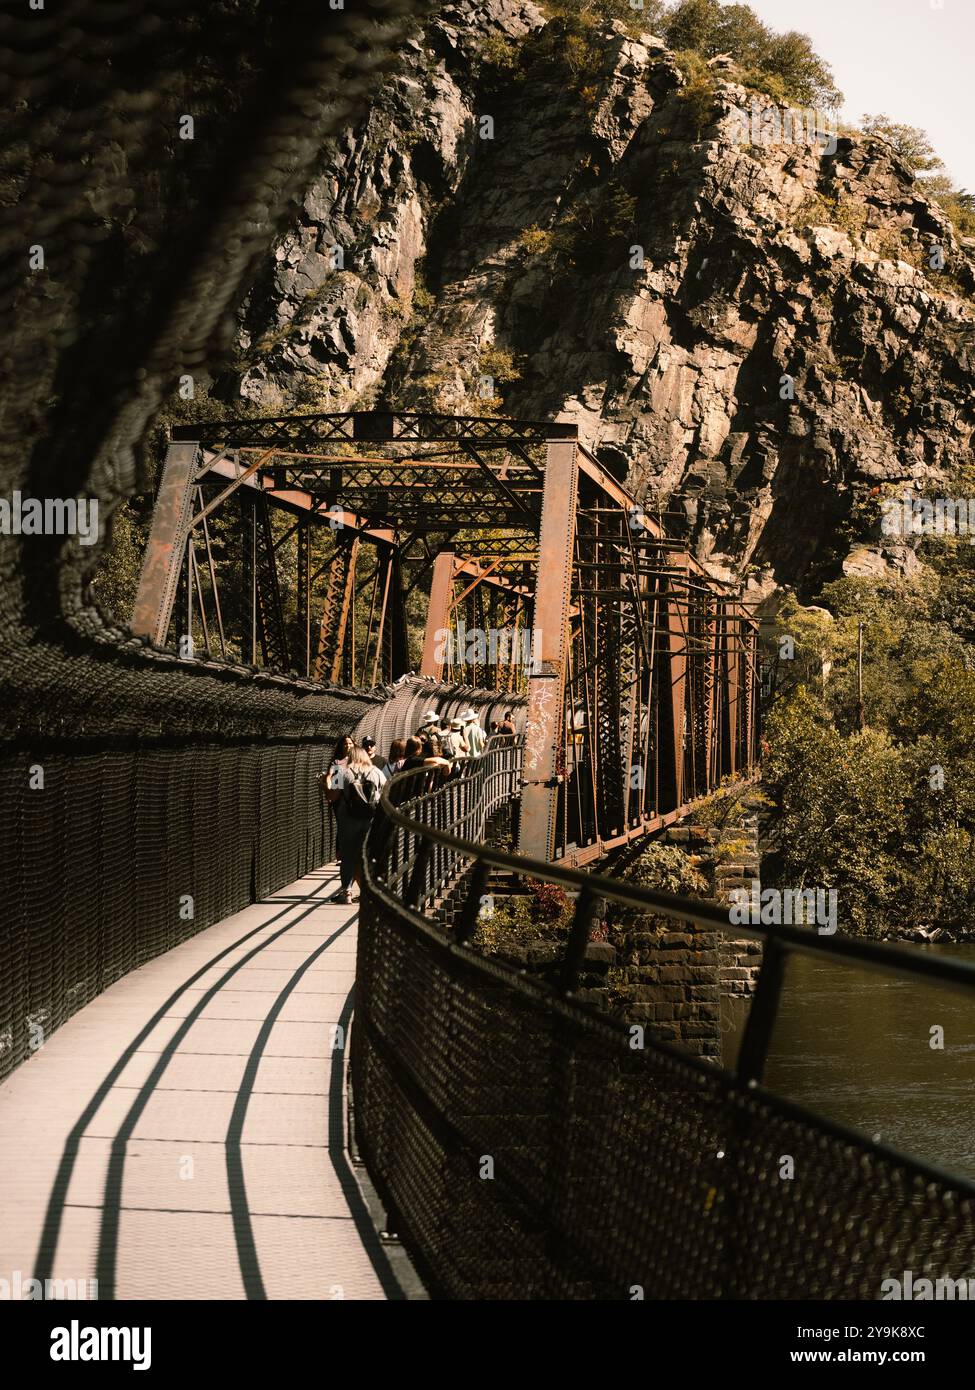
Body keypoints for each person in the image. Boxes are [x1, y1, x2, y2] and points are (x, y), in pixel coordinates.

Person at [324, 744, 387, 904]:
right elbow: (386, 795)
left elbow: (332, 796)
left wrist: (326, 781)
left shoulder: (340, 771)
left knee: (348, 855)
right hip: (370, 819)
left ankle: (347, 893)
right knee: (367, 855)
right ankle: (373, 891)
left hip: (348, 819)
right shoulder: (377, 772)